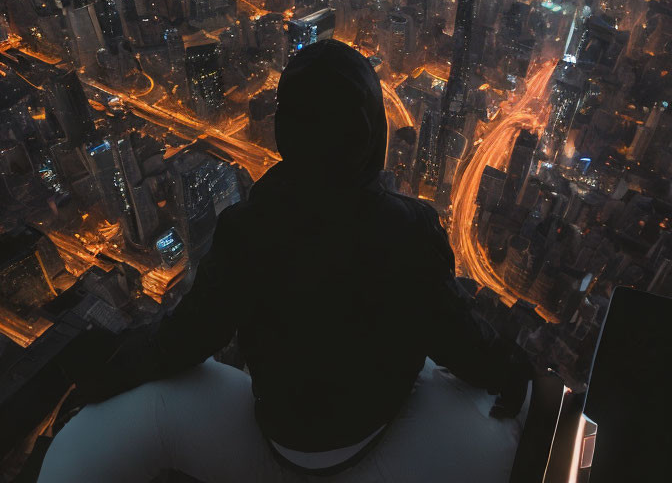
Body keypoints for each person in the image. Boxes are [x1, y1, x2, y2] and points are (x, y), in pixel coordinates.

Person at [39, 40, 532, 482]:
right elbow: (456, 337)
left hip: (283, 436)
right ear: (370, 130)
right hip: (374, 426)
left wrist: (109, 366)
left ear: (284, 131)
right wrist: (512, 371)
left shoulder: (247, 228)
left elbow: (186, 338)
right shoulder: (408, 230)